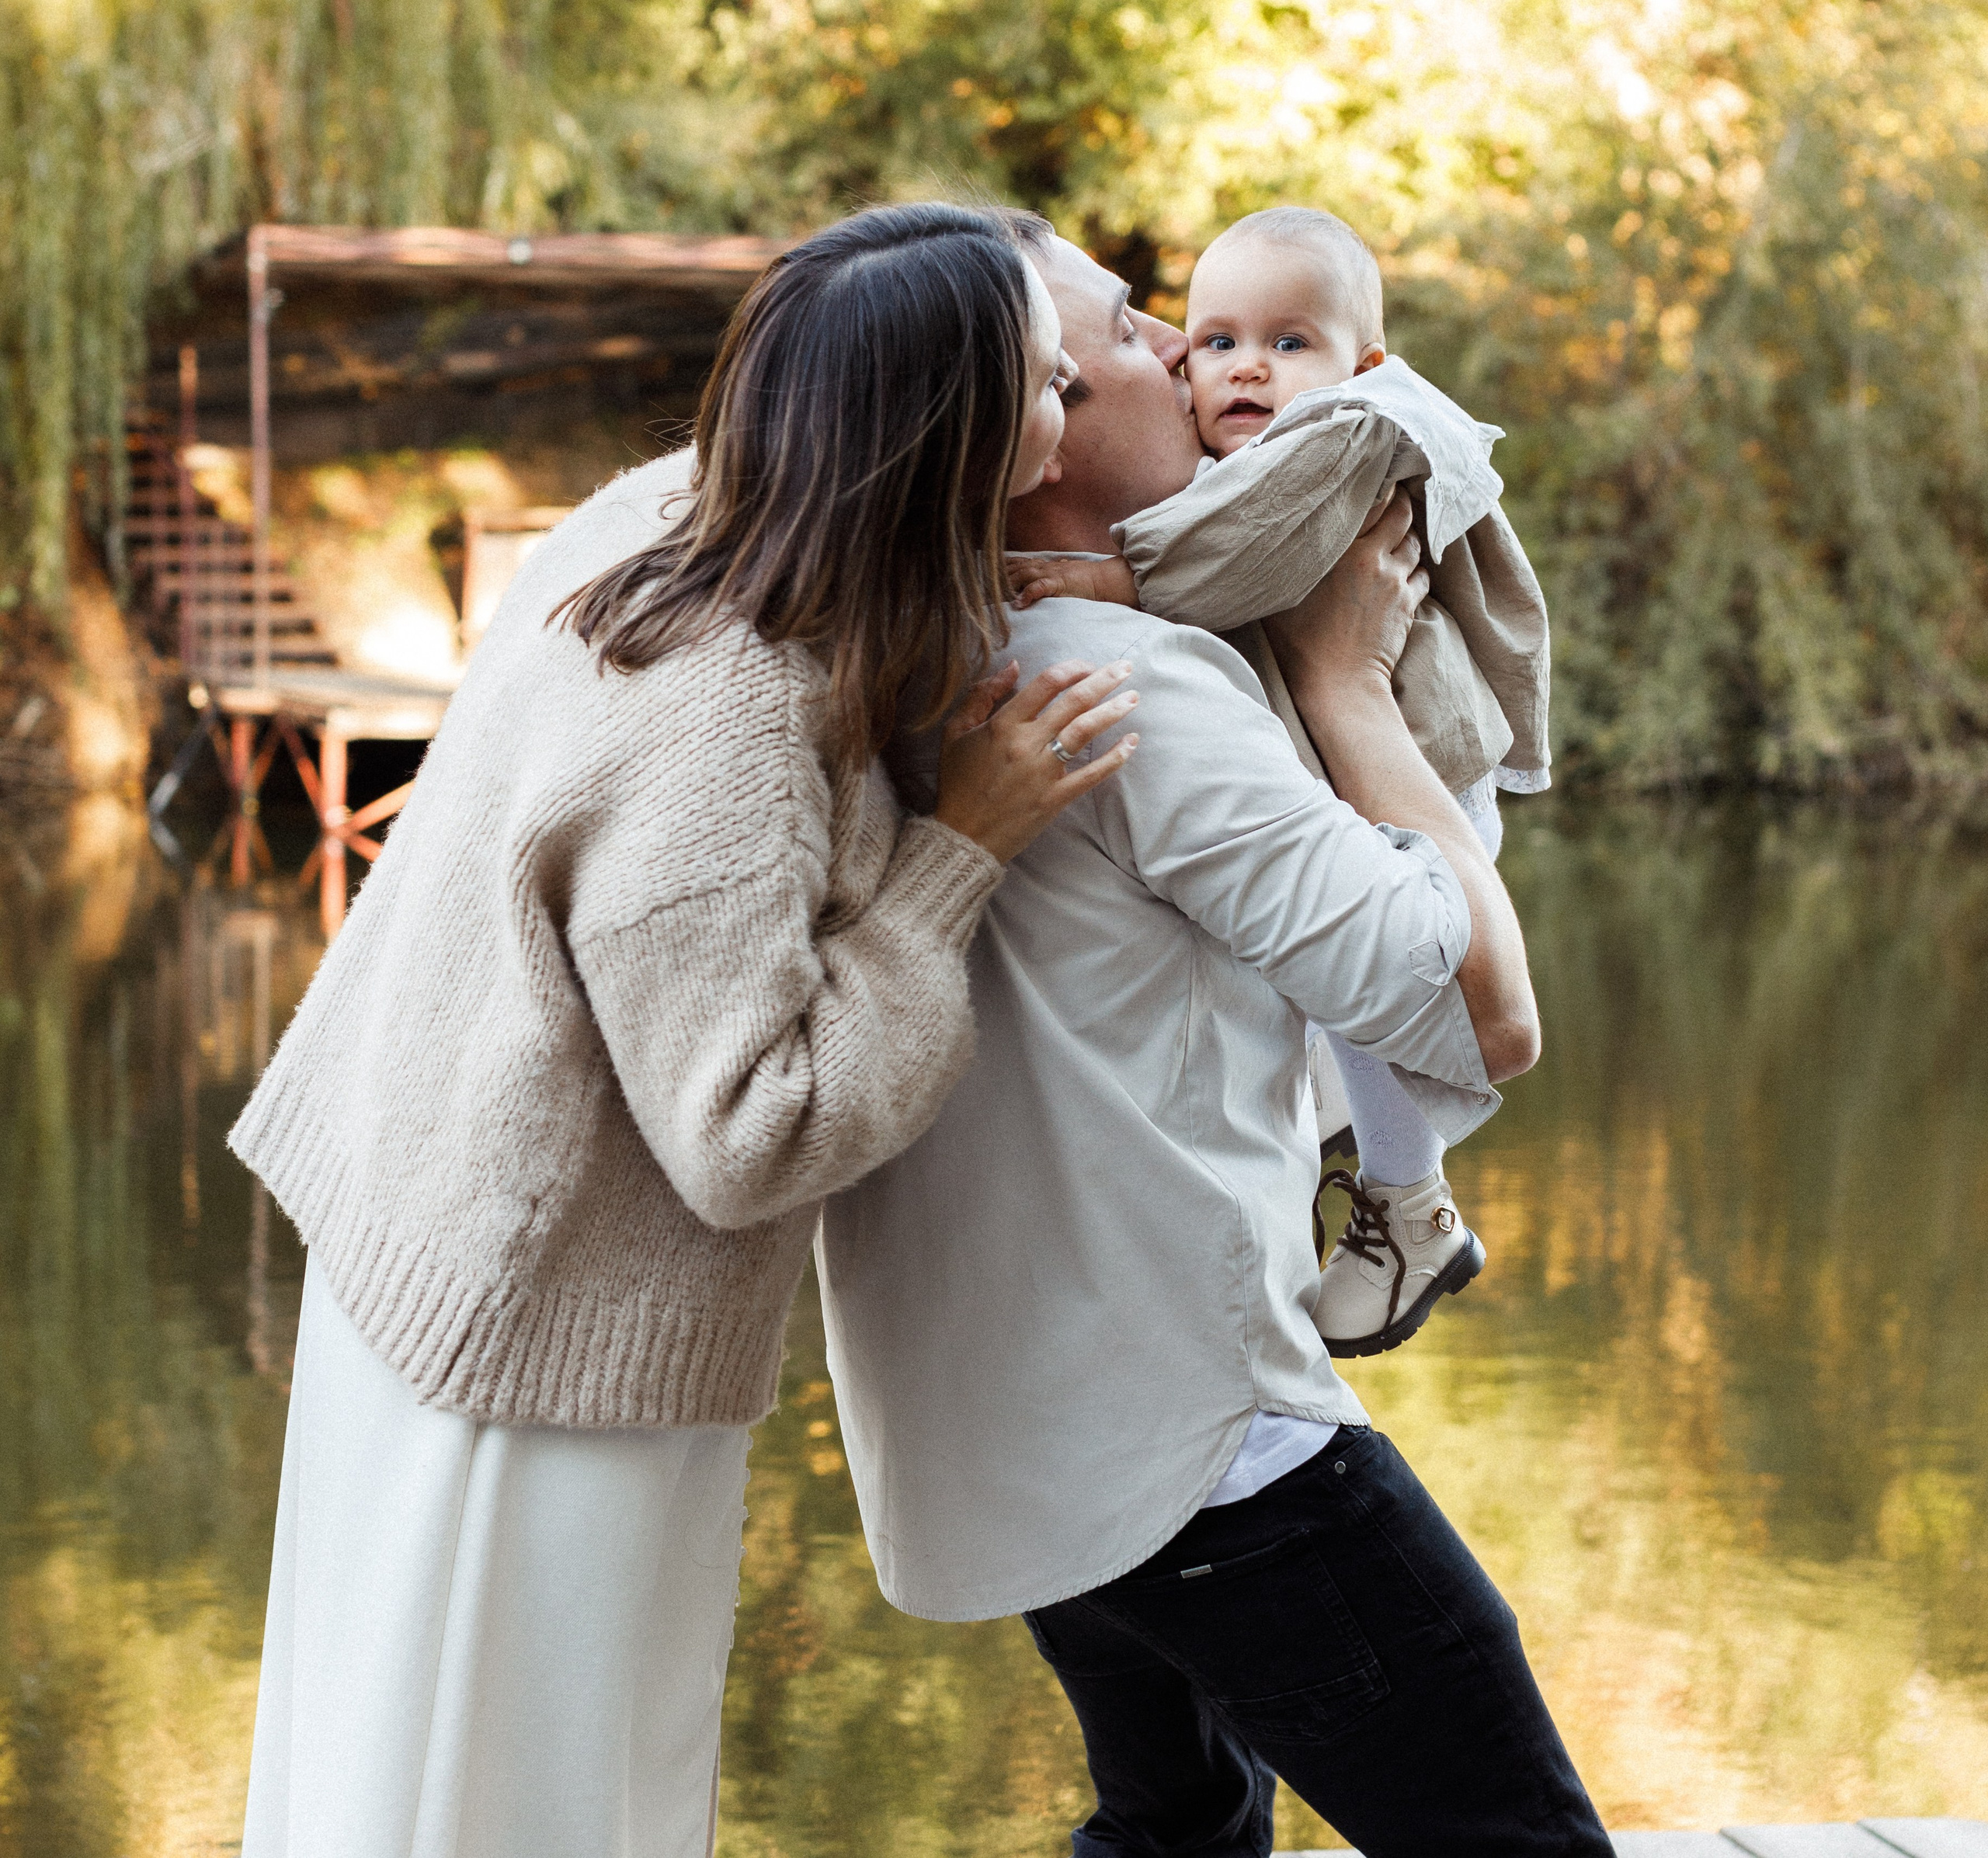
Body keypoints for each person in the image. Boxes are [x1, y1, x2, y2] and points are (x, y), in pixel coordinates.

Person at [225, 202, 1139, 1858]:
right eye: (1044, 375)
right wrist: (963, 857)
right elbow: (751, 1131)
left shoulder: (681, 511)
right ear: (941, 427)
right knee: (514, 1800)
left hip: (436, 1250)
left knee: (418, 1775)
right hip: (526, 1340)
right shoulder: (718, 710)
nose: (1078, 382)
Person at [819, 214, 1613, 1857]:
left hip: (1017, 1432)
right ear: (1028, 431)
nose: (1184, 357)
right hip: (1197, 1440)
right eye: (1122, 335)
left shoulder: (916, 656)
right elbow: (1485, 1003)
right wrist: (1349, 696)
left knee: (1174, 1830)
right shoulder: (1123, 690)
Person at [1007, 204, 1555, 1359]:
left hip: (1425, 768)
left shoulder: (1348, 436)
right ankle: (1393, 1192)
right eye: (1214, 340)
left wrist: (1097, 577)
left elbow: (1234, 555)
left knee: (1386, 992)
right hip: (1362, 753)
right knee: (1340, 999)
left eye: (1287, 342)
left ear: (1364, 358)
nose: (1234, 363)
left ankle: (1410, 1198)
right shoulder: (1247, 444)